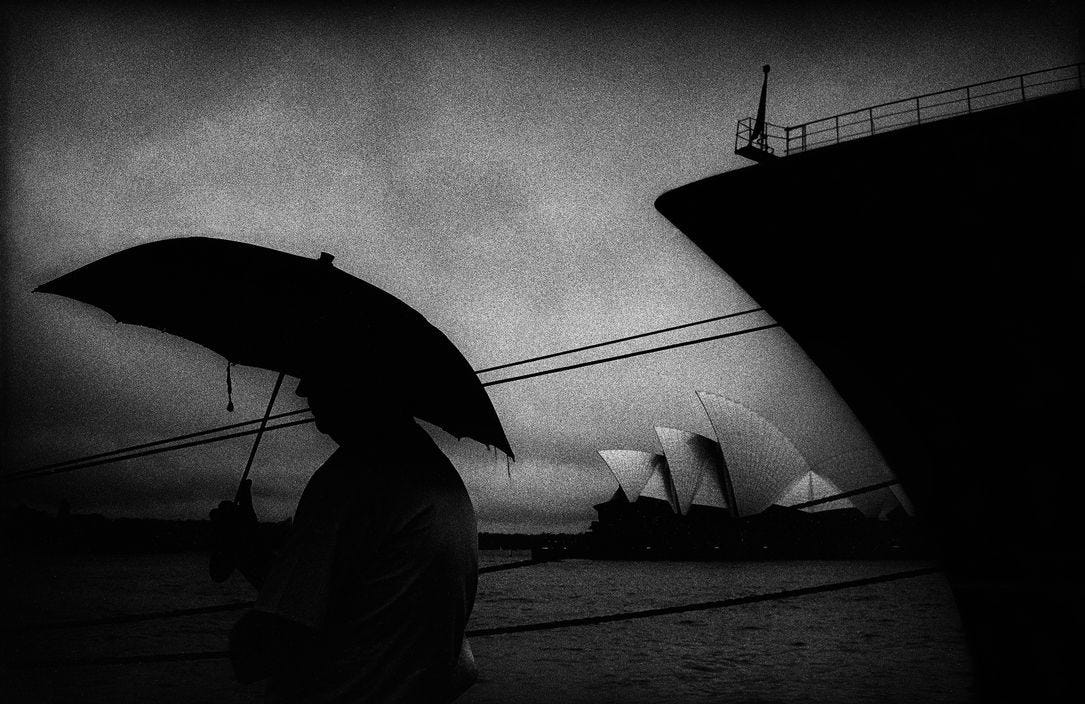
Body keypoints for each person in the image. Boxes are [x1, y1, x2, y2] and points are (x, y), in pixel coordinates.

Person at [210, 358, 480, 703]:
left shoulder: (348, 482)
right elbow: (367, 617)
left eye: (316, 371)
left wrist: (245, 553)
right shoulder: (447, 485)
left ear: (356, 385)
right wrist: (269, 563)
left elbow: (260, 651)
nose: (301, 389)